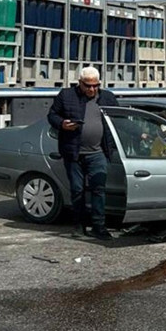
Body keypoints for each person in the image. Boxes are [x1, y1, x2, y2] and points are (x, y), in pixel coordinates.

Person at [47, 67, 118, 240]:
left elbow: (119, 120)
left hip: (98, 152)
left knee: (98, 189)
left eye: (95, 86)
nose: (92, 89)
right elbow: (52, 115)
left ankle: (99, 226)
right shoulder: (66, 95)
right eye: (88, 86)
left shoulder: (107, 97)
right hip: (74, 152)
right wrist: (62, 123)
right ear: (80, 83)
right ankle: (79, 226)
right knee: (77, 190)